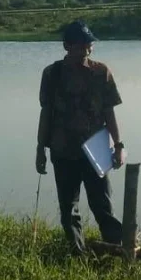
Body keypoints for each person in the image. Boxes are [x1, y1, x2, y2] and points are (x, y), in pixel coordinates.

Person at [36, 21, 126, 254]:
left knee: (103, 207)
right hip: (63, 150)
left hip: (96, 149)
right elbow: (46, 112)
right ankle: (78, 255)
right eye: (80, 45)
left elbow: (110, 112)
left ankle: (117, 252)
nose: (85, 50)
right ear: (67, 46)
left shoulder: (101, 72)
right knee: (69, 209)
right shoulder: (52, 74)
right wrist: (40, 149)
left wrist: (118, 146)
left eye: (89, 45)